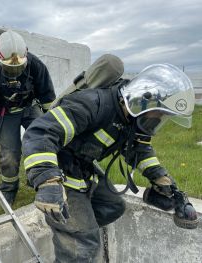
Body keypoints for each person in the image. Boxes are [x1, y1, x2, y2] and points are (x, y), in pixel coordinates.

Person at [21, 63, 196, 262]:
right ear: (144, 100)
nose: (158, 121)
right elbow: (40, 132)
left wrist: (160, 178)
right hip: (58, 172)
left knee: (113, 207)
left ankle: (73, 232)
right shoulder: (91, 104)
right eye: (159, 115)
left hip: (84, 168)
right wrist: (47, 181)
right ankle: (74, 241)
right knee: (84, 244)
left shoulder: (130, 116)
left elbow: (139, 149)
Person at [0, 30, 56, 206]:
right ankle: (9, 188)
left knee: (42, 142)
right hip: (5, 112)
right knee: (10, 153)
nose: (13, 72)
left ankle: (38, 178)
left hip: (30, 108)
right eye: (8, 68)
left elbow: (47, 96)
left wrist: (53, 123)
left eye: (18, 67)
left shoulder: (36, 65)